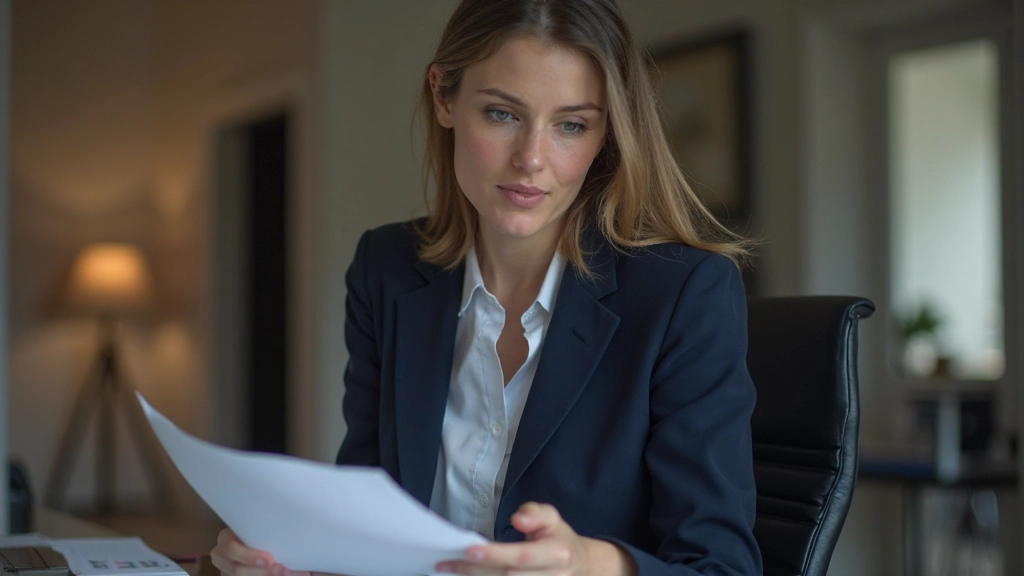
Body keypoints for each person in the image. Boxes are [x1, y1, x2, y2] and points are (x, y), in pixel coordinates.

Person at [211, 0, 761, 574]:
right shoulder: (387, 269)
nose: (531, 158)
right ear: (444, 98)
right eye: (502, 114)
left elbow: (721, 566)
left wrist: (593, 565)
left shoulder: (684, 295)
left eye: (571, 125)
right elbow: (366, 525)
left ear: (607, 136)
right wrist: (292, 557)